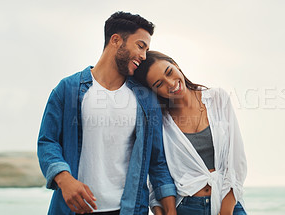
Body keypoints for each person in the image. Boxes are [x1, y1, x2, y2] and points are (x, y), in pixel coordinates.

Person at [37, 12, 177, 215]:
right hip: (72, 209)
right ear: (116, 40)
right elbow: (47, 141)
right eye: (140, 46)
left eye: (146, 49)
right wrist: (64, 178)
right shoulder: (67, 89)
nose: (144, 56)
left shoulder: (145, 99)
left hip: (128, 210)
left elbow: (157, 162)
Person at [134, 51, 247, 215]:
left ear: (175, 65)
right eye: (159, 84)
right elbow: (158, 172)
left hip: (227, 203)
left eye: (169, 72)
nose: (171, 83)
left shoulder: (218, 98)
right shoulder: (160, 122)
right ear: (154, 91)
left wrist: (226, 211)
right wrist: (160, 210)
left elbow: (237, 162)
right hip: (186, 207)